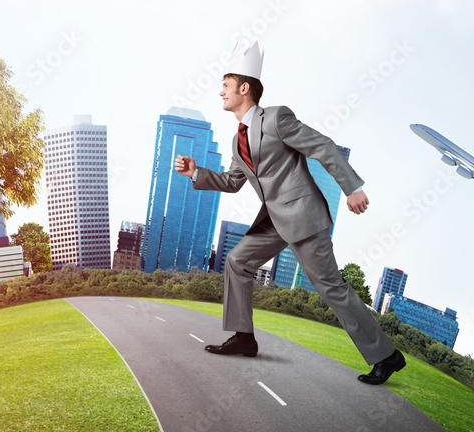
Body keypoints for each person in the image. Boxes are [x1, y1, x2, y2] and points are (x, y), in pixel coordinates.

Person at [174, 41, 405, 385]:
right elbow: (233, 181)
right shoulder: (238, 141)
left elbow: (322, 146)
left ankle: (387, 356)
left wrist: (352, 188)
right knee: (238, 261)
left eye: (225, 85)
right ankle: (244, 338)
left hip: (303, 216)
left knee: (331, 287)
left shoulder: (277, 117)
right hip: (274, 221)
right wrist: (196, 172)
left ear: (244, 88)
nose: (219, 91)